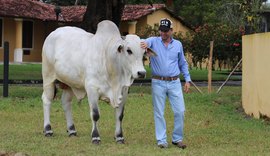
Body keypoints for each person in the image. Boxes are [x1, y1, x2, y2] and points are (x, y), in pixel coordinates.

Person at [141, 18, 191, 149]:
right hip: (158, 82)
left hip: (174, 82)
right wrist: (144, 44)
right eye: (161, 31)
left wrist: (187, 80)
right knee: (159, 112)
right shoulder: (153, 41)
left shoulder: (178, 44)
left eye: (166, 31)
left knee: (180, 111)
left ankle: (177, 139)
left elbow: (182, 63)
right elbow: (144, 42)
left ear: (171, 31)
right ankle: (162, 140)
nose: (163, 33)